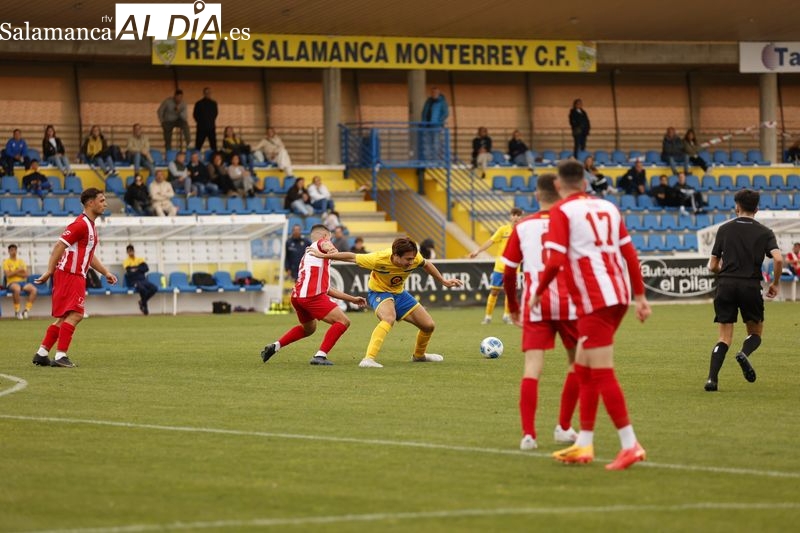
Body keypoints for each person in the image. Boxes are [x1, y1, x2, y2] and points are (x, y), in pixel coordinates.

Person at [534, 160, 651, 470]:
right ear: (585, 183)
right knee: (583, 368)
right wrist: (640, 297)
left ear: (558, 186)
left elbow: (556, 258)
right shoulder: (609, 208)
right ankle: (583, 442)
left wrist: (537, 292)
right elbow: (629, 254)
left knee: (601, 371)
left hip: (594, 300)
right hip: (617, 296)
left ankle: (630, 444)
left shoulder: (562, 211)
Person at [502, 174, 580, 450]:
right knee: (576, 363)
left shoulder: (523, 226)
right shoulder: (570, 222)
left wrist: (513, 306)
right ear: (560, 192)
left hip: (535, 303)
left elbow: (509, 272)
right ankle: (564, 427)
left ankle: (528, 435)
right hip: (568, 302)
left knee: (532, 369)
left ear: (537, 196)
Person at [308, 237, 463, 368]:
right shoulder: (378, 259)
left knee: (429, 325)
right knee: (388, 318)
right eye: (407, 259)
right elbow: (352, 257)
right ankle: (368, 359)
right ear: (395, 255)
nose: (411, 262)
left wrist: (443, 281)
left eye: (412, 258)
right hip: (379, 292)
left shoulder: (415, 258)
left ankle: (419, 355)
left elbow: (426, 264)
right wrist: (324, 256)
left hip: (399, 294)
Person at [704, 189, 783, 392]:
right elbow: (779, 259)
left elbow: (712, 265)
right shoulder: (765, 232)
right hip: (750, 286)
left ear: (736, 206)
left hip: (726, 285)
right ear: (757, 209)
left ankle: (712, 380)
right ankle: (744, 353)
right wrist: (775, 283)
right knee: (755, 333)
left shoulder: (724, 229)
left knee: (723, 337)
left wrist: (723, 272)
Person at [32, 188, 117, 368]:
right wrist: (49, 270)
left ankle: (42, 353)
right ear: (90, 203)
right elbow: (58, 246)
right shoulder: (80, 224)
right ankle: (61, 356)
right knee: (77, 314)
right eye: (102, 201)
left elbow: (88, 254)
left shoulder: (90, 226)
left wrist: (105, 272)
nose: (105, 204)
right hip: (71, 275)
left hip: (71, 275)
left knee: (65, 317)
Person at [261, 224, 368, 366]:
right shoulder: (322, 243)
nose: (330, 241)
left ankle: (276, 346)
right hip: (311, 296)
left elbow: (327, 289)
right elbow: (330, 249)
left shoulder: (309, 256)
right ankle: (320, 356)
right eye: (330, 237)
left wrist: (352, 299)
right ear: (325, 235)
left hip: (298, 297)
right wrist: (331, 250)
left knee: (309, 329)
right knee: (343, 321)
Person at [469, 208, 523, 325]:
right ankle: (488, 317)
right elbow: (490, 241)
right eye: (514, 214)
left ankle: (506, 316)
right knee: (494, 291)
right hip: (500, 267)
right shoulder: (503, 230)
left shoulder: (522, 231)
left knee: (510, 292)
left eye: (518, 215)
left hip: (513, 268)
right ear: (510, 216)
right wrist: (477, 251)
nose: (516, 217)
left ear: (521, 217)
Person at [123, 244, 158, 315]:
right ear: (127, 252)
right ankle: (145, 308)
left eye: (131, 251)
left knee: (154, 288)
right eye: (129, 251)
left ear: (133, 251)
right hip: (134, 281)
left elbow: (146, 268)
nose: (130, 253)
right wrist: (139, 268)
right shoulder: (126, 261)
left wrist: (135, 269)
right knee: (143, 290)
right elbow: (129, 272)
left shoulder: (139, 259)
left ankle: (142, 302)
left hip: (143, 279)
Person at [3, 244, 37, 319]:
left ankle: (26, 310)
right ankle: (17, 311)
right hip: (11, 283)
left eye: (15, 250)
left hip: (23, 282)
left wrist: (14, 272)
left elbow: (26, 274)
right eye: (11, 250)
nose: (13, 252)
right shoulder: (6, 262)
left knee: (33, 290)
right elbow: (8, 275)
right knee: (17, 289)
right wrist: (19, 270)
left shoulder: (21, 261)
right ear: (8, 251)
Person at [420, 86, 449, 160]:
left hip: (436, 126)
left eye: (435, 92)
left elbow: (445, 113)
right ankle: (427, 159)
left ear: (439, 93)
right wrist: (423, 121)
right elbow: (424, 112)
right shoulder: (428, 101)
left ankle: (435, 159)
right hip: (427, 126)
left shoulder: (442, 102)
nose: (434, 94)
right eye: (432, 92)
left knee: (436, 143)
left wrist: (439, 121)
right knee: (427, 144)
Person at [193, 87, 218, 151]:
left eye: (209, 93)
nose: (208, 94)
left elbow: (215, 114)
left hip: (211, 127)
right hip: (201, 127)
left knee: (213, 146)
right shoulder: (198, 103)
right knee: (198, 146)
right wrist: (200, 122)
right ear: (204, 93)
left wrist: (210, 121)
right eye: (206, 93)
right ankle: (195, 159)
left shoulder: (214, 103)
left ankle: (215, 159)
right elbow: (195, 115)